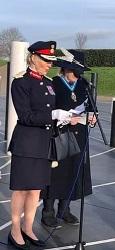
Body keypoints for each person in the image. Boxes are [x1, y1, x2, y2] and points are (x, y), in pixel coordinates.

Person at [8, 41, 77, 249]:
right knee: (21, 189)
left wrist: (62, 117)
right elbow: (26, 116)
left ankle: (28, 228)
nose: (50, 65)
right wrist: (53, 115)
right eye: (46, 60)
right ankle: (14, 230)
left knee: (36, 190)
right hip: (27, 144)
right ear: (34, 58)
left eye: (51, 61)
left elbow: (50, 111)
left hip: (44, 144)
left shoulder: (48, 82)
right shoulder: (20, 82)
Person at [41, 49, 95, 228]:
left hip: (79, 133)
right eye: (74, 69)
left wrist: (91, 117)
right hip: (59, 134)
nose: (77, 73)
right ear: (66, 68)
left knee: (73, 171)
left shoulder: (84, 85)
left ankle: (65, 209)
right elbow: (48, 110)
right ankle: (48, 211)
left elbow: (90, 108)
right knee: (55, 173)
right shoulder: (54, 83)